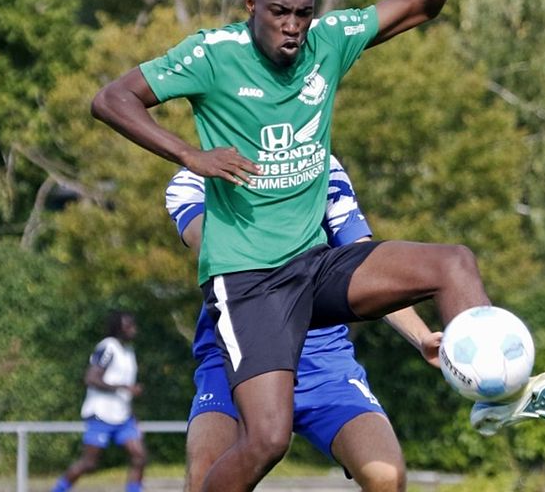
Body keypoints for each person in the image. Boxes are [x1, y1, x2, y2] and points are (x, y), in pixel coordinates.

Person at [92, 0, 545, 491]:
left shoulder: (331, 41)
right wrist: (191, 154)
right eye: (278, 13)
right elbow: (112, 100)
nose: (293, 27)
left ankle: (492, 392)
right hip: (249, 285)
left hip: (314, 270)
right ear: (250, 8)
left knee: (453, 262)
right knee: (266, 440)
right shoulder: (211, 55)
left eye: (302, 13)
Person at [167, 156, 441, 492]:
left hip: (321, 357)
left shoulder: (323, 166)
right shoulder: (194, 178)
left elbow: (365, 262)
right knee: (204, 474)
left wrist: (422, 337)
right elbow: (210, 244)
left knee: (387, 476)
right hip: (237, 353)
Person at [51, 311, 147, 492]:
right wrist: (123, 388)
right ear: (118, 328)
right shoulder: (108, 347)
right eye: (128, 326)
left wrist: (134, 417)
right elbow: (91, 378)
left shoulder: (129, 352)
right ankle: (58, 490)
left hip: (123, 417)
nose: (133, 329)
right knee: (89, 463)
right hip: (101, 414)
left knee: (139, 456)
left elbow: (127, 391)